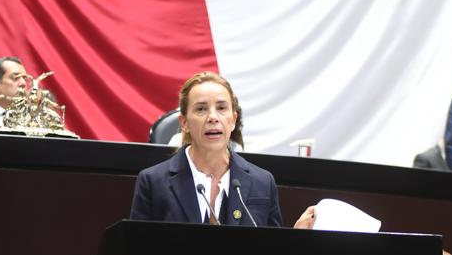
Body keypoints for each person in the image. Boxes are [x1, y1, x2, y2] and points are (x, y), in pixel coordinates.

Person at [130, 71, 315, 228]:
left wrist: (295, 237)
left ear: (233, 120)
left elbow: (271, 254)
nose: (213, 117)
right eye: (201, 109)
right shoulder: (153, 182)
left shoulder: (262, 182)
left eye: (221, 108)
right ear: (184, 123)